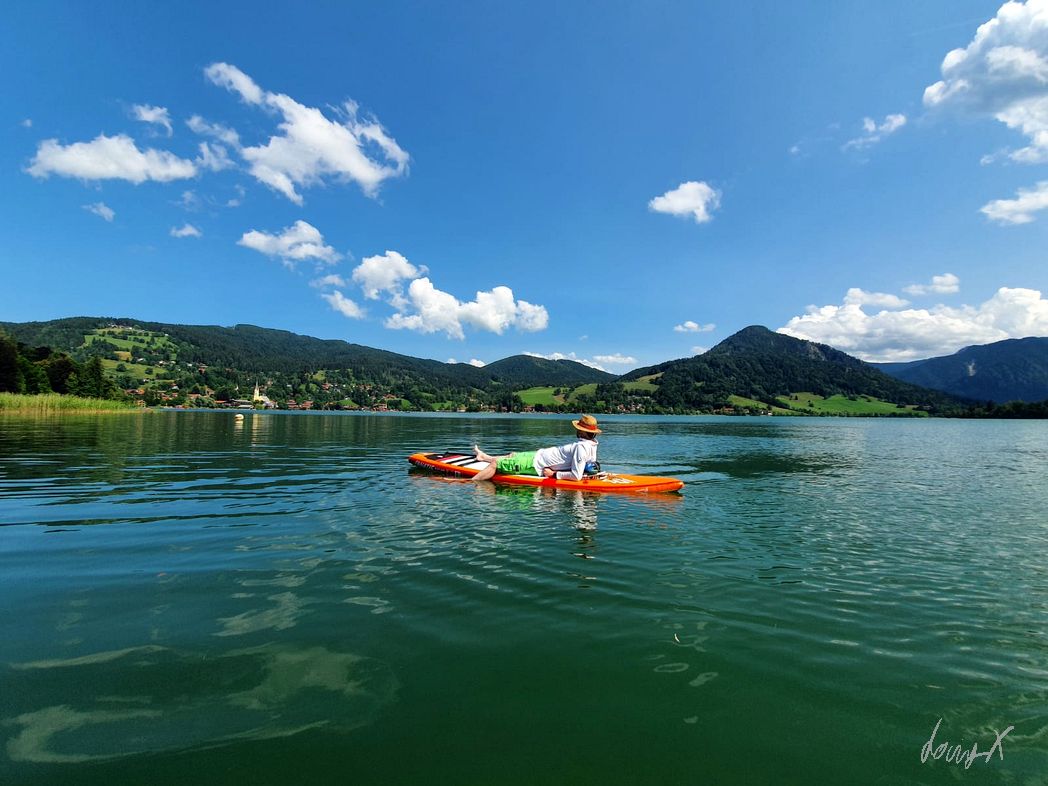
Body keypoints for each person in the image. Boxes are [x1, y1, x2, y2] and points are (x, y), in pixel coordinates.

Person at [471, 415, 602, 482]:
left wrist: (554, 474)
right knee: (513, 455)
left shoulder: (581, 447)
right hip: (537, 456)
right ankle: (483, 457)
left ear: (582, 431)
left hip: (535, 465)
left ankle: (470, 483)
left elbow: (576, 475)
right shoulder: (592, 444)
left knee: (496, 463)